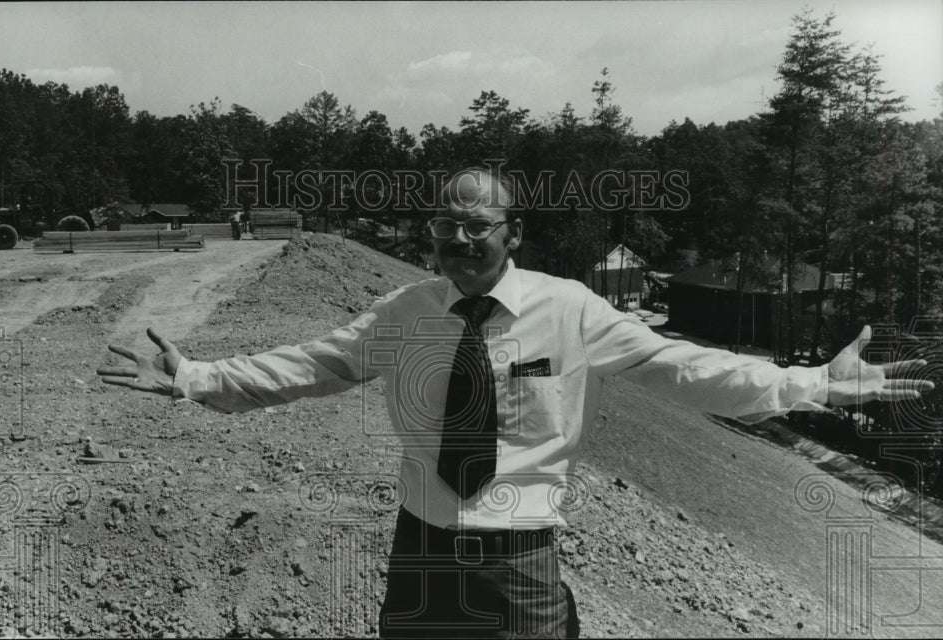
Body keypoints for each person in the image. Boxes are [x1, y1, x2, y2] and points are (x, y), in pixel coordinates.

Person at [98, 167, 932, 639]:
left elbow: (682, 369)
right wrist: (196, 377)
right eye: (446, 226)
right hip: (422, 548)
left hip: (520, 555)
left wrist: (811, 385)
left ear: (513, 232)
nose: (459, 240)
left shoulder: (571, 311)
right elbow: (313, 365)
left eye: (479, 226)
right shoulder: (404, 314)